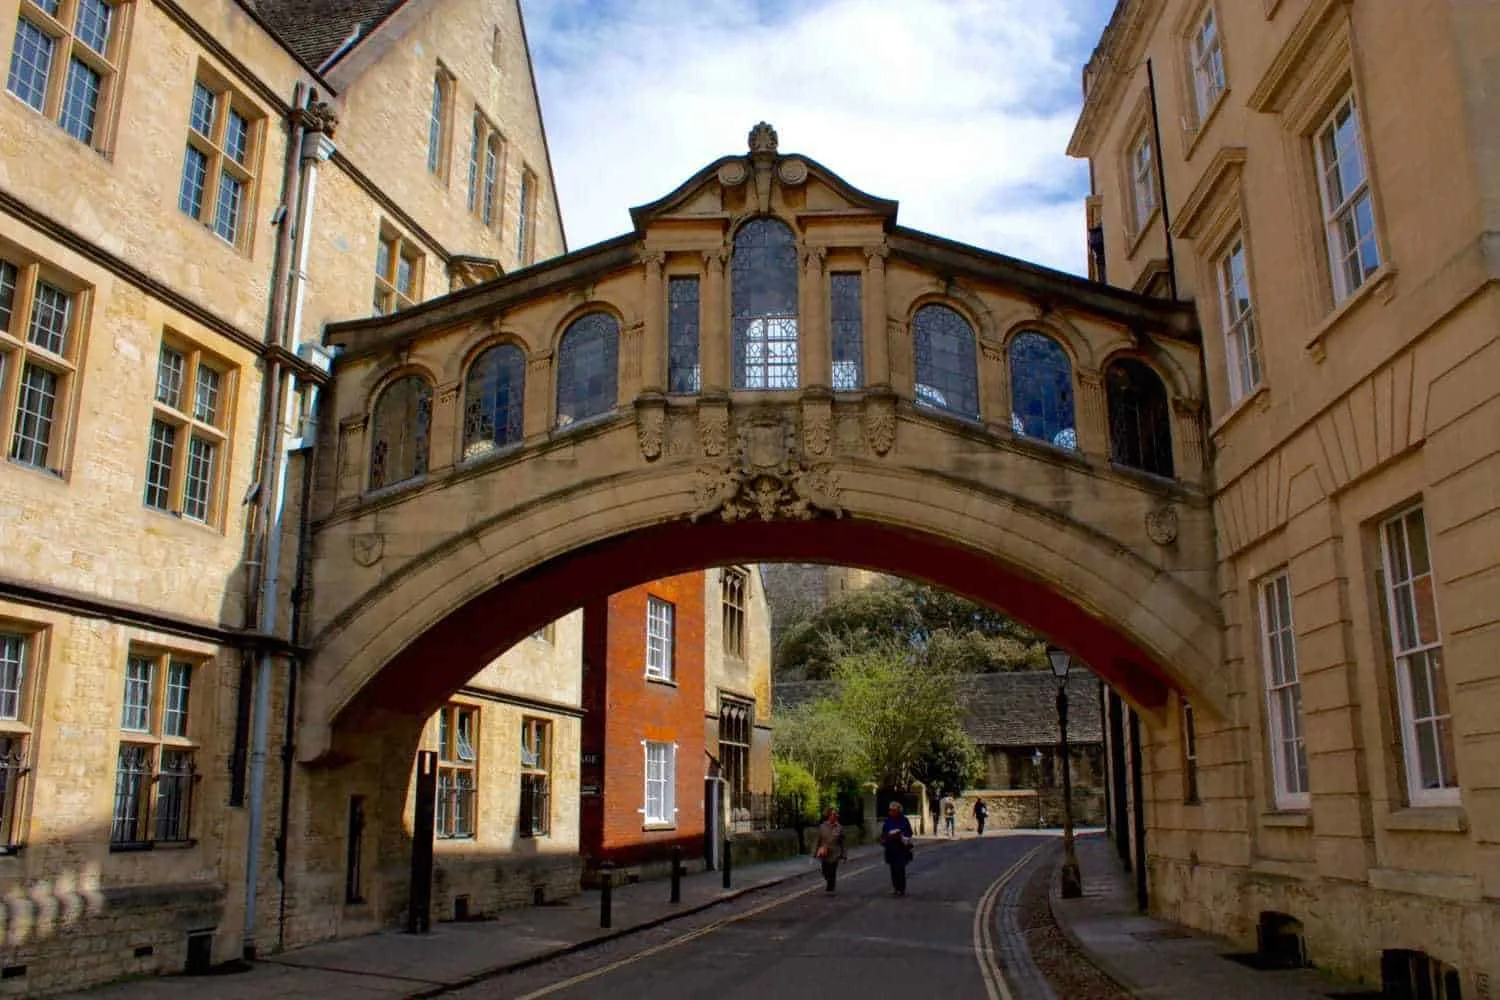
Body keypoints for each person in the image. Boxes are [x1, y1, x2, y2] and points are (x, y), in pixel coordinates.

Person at [879, 801, 915, 896]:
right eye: (890, 810)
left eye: (894, 810)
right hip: (890, 848)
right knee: (893, 869)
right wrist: (884, 838)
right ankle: (895, 887)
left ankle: (901, 888)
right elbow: (884, 833)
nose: (891, 812)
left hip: (901, 848)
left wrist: (902, 836)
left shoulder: (904, 820)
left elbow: (909, 832)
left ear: (898, 811)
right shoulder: (888, 821)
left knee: (900, 868)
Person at [814, 807, 846, 892]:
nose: (835, 816)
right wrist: (815, 852)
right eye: (833, 814)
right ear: (829, 816)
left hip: (835, 853)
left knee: (832, 871)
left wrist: (844, 855)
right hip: (825, 852)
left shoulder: (840, 828)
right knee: (825, 871)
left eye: (836, 815)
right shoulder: (822, 826)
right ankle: (829, 882)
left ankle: (831, 887)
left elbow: (842, 843)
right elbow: (818, 840)